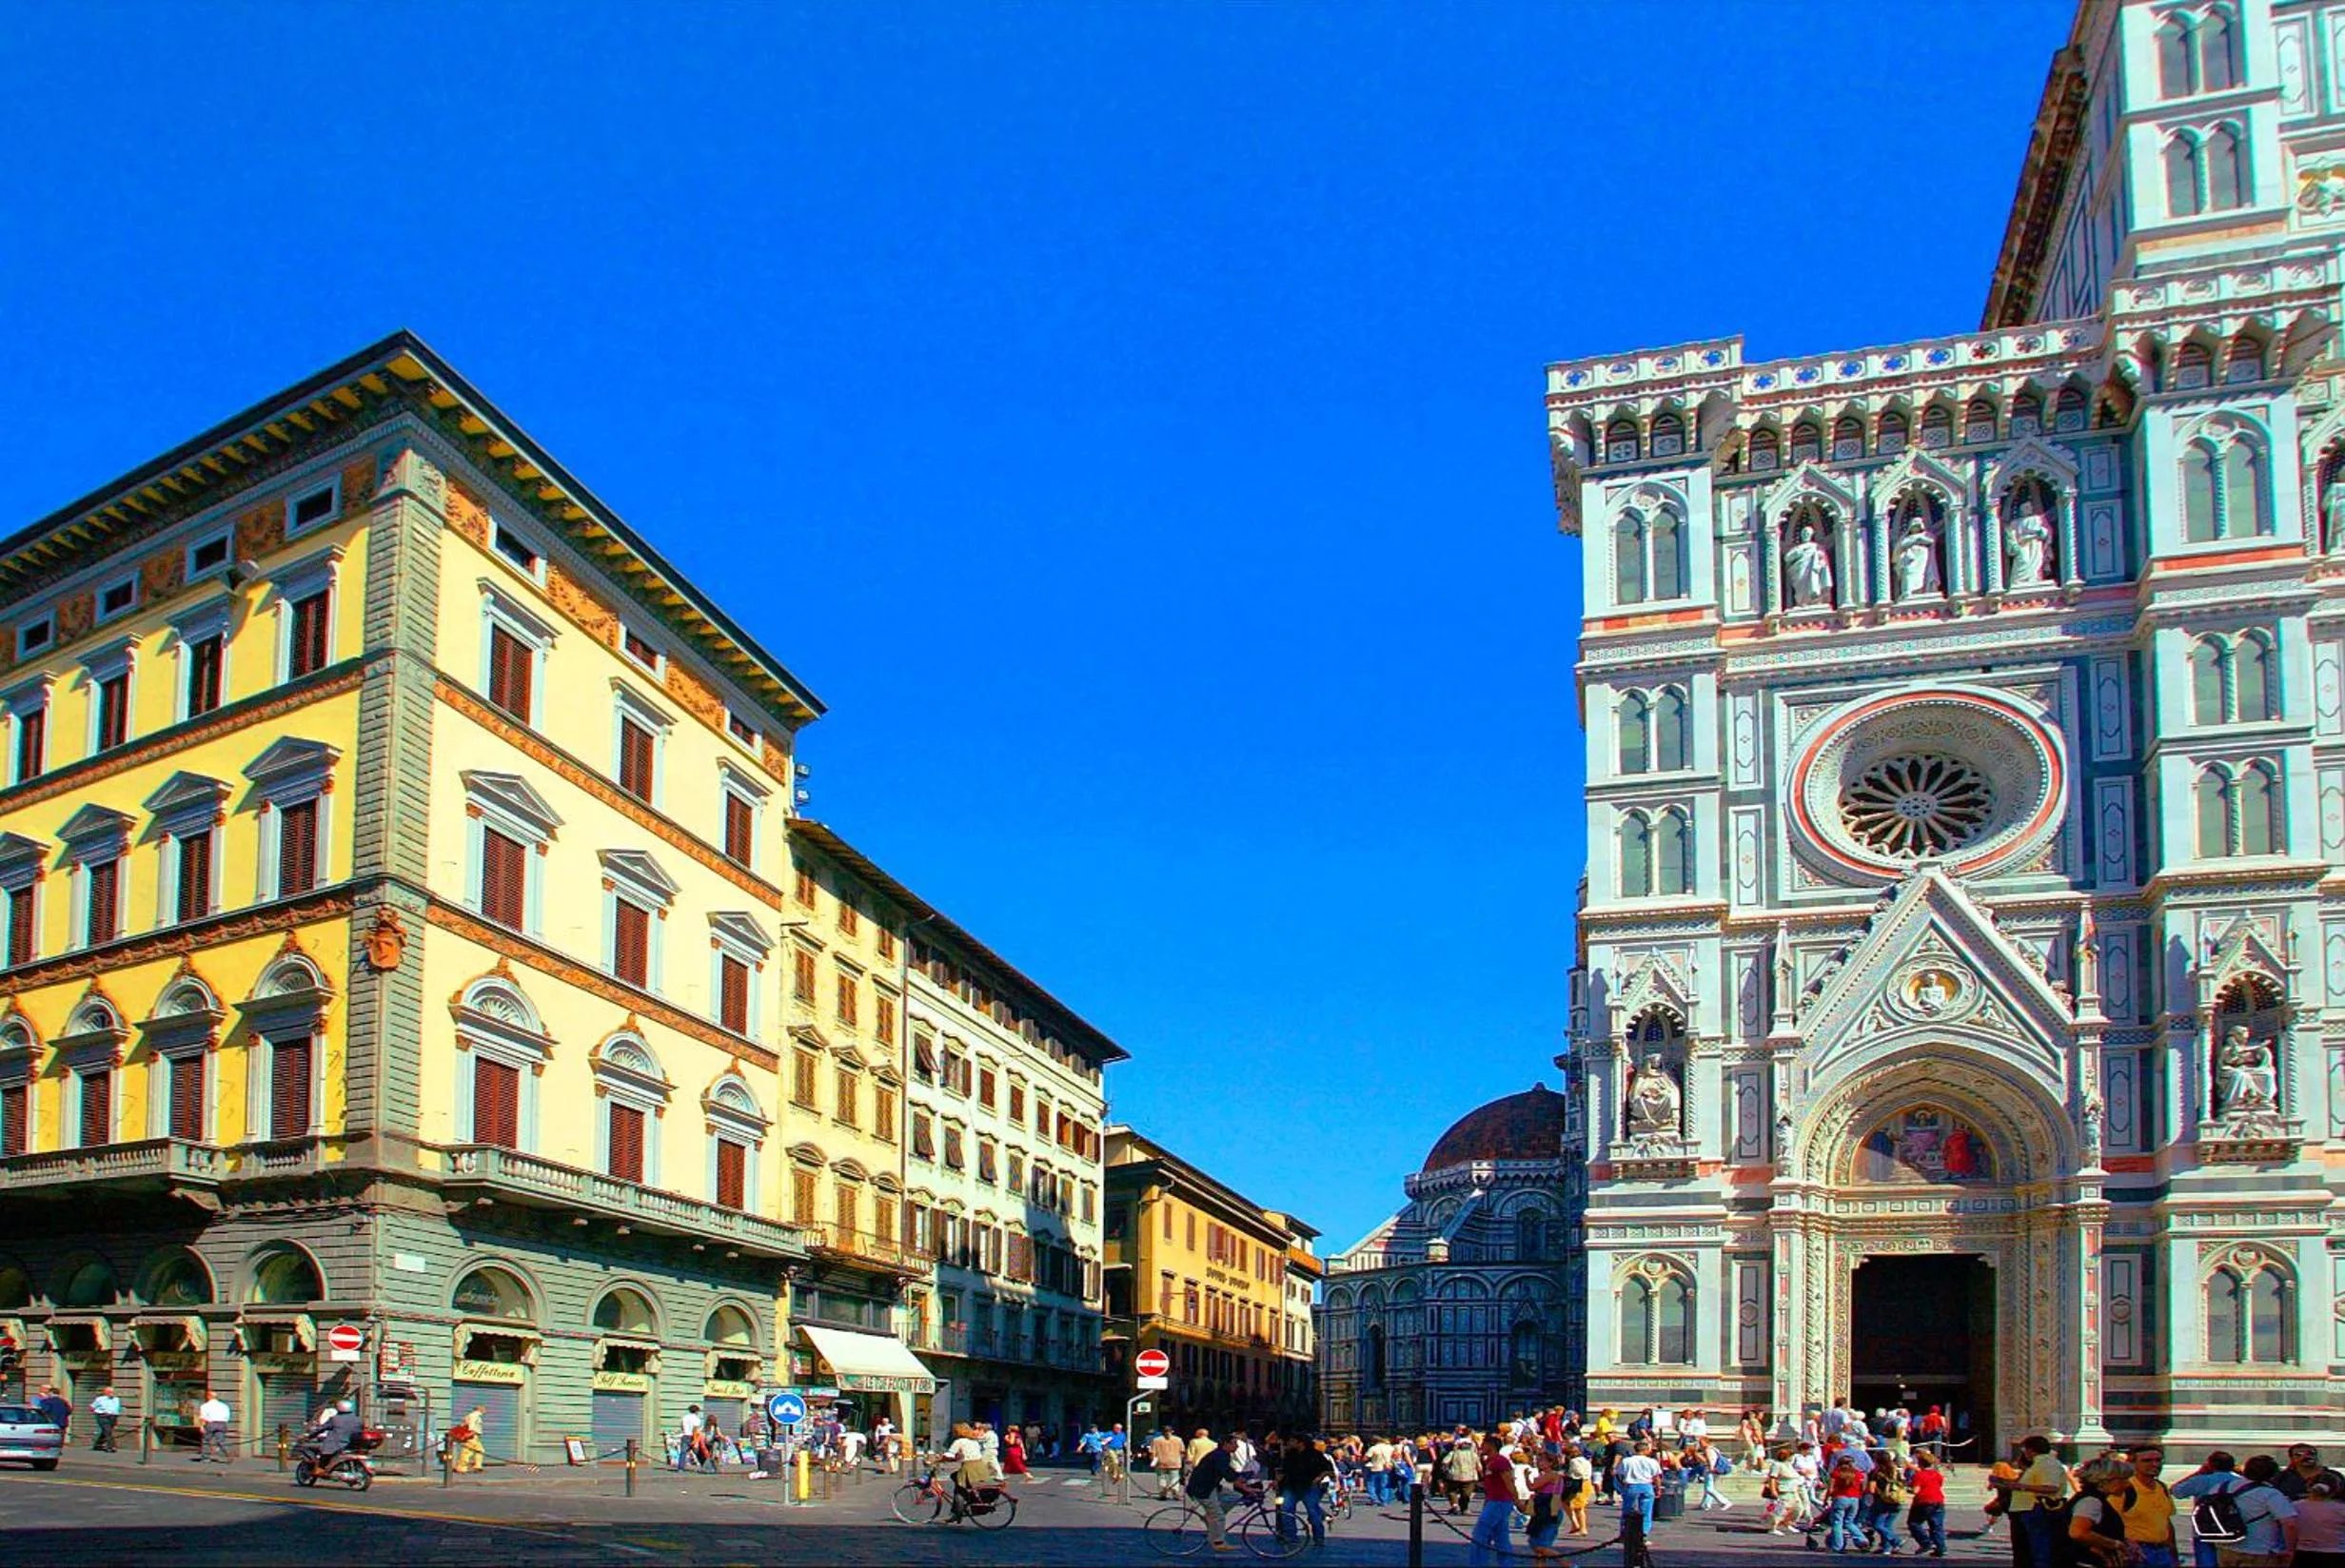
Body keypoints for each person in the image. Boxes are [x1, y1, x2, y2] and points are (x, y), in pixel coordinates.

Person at [2007, 1433, 2072, 1568]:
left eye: (2024, 1449)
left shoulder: (2047, 1463)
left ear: (2031, 1449)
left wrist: (2021, 1487)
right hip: (2026, 1510)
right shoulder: (2038, 1464)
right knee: (2029, 1550)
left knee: (2040, 1549)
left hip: (2036, 1510)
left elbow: (2051, 1487)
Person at [2111, 1444, 2179, 1568]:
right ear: (2133, 1463)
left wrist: (2174, 1556)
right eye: (2147, 1461)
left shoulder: (2161, 1487)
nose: (2155, 1464)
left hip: (2163, 1552)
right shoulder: (2124, 1489)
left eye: (2158, 1460)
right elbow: (2106, 1521)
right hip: (2137, 1553)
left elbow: (2166, 1522)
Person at [1185, 1433, 1253, 1556]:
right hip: (1203, 1489)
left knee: (1235, 1496)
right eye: (1234, 1444)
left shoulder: (1223, 1455)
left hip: (1212, 1486)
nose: (1237, 1447)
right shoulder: (1219, 1456)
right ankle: (1218, 1542)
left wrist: (1242, 1481)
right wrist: (1244, 1486)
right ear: (1226, 1444)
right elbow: (1227, 1474)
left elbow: (1229, 1472)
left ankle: (1210, 1518)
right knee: (1219, 1516)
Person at [2068, 1456, 2139, 1568]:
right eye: (2123, 1479)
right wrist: (2115, 1544)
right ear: (2106, 1479)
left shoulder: (2093, 1498)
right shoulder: (2091, 1501)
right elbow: (2078, 1532)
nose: (2127, 1485)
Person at [1468, 1433, 1515, 1568]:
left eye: (1483, 1444)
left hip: (1500, 1501)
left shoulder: (1500, 1461)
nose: (1481, 1447)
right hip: (1493, 1500)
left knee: (1480, 1534)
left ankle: (1478, 1563)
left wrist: (1517, 1501)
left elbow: (1509, 1482)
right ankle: (1506, 1564)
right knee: (1501, 1537)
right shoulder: (1490, 1461)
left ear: (1490, 1446)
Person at [1276, 1435, 1334, 1547]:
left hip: (1309, 1486)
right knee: (1285, 1510)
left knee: (1313, 1512)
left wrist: (1319, 1478)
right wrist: (1278, 1480)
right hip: (1291, 1486)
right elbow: (1283, 1470)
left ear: (1300, 1443)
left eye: (1292, 1440)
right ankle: (1291, 1536)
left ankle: (1318, 1538)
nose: (1290, 1442)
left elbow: (1329, 1470)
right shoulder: (1290, 1455)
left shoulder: (1315, 1455)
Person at [1524, 1448, 1567, 1562]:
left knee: (1540, 1545)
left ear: (1550, 1463)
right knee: (1538, 1545)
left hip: (1548, 1509)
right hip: (1544, 1508)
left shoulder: (1551, 1474)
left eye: (1541, 1461)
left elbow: (1532, 1487)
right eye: (1538, 1460)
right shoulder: (1547, 1475)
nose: (1539, 1463)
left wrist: (1526, 1477)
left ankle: (1568, 1564)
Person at [1614, 1437, 1663, 1538]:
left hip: (1631, 1486)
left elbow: (1619, 1474)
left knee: (1627, 1511)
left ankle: (1624, 1533)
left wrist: (1621, 1487)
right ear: (1645, 1450)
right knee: (1646, 1512)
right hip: (1647, 1486)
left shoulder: (1627, 1461)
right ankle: (1643, 1534)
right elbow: (1656, 1477)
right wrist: (1658, 1489)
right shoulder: (1652, 1461)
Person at [1821, 1451, 1866, 1554]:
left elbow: (1831, 1489)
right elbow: (1862, 1487)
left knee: (1837, 1523)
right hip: (1855, 1499)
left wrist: (1826, 1500)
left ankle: (1838, 1546)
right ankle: (1861, 1539)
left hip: (1840, 1498)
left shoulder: (1836, 1473)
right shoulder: (1858, 1473)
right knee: (1849, 1522)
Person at [1905, 1449, 1947, 1558]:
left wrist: (1907, 1488)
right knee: (1936, 1526)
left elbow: (1915, 1490)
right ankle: (1941, 1547)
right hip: (1938, 1500)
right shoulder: (1937, 1474)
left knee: (1914, 1523)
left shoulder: (1919, 1475)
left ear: (1920, 1463)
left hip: (1924, 1501)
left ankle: (1925, 1542)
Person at [2296, 1476, 2345, 1568]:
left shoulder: (2295, 1506)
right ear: (2337, 1489)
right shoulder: (2341, 1509)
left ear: (2309, 1487)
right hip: (2336, 1553)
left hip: (2301, 1553)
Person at [2276, 1444, 2345, 1501]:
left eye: (2311, 1453)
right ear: (2291, 1458)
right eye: (2299, 1455)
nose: (2306, 1457)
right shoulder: (2282, 1477)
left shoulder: (2334, 1476)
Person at [1442, 1436, 1482, 1515]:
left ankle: (1455, 1505)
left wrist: (1446, 1470)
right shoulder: (1474, 1454)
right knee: (1466, 1493)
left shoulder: (1453, 1453)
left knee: (1452, 1491)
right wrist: (1481, 1475)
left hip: (1455, 1475)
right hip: (1471, 1476)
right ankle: (1465, 1508)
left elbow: (1445, 1462)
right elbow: (1479, 1467)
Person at [1563, 1441, 1593, 1537]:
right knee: (1571, 1504)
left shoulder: (1574, 1461)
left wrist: (1568, 1475)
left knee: (1578, 1507)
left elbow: (1579, 1473)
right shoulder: (1585, 1460)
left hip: (1579, 1483)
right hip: (1587, 1482)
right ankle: (1575, 1525)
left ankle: (1582, 1528)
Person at [1149, 1428, 1186, 1499]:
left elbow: (1152, 1452)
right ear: (1172, 1431)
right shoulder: (1178, 1440)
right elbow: (1182, 1451)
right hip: (1175, 1462)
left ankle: (1163, 1492)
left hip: (1161, 1462)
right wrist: (1180, 1459)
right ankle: (1175, 1490)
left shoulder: (1156, 1440)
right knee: (1175, 1478)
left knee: (1161, 1478)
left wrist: (1153, 1462)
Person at [196, 1391, 232, 1463]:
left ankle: (206, 1458)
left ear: (209, 1396)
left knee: (206, 1441)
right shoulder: (224, 1406)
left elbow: (203, 1417)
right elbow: (228, 1416)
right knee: (221, 1441)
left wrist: (202, 1427)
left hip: (211, 1424)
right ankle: (228, 1453)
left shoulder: (205, 1406)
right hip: (222, 1424)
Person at [450, 1403, 486, 1474]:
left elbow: (464, 1424)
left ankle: (477, 1467)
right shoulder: (474, 1416)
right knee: (467, 1452)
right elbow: (471, 1426)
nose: (485, 1410)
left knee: (479, 1451)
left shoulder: (473, 1415)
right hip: (472, 1436)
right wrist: (471, 1433)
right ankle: (462, 1468)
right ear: (480, 1409)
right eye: (484, 1409)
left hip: (474, 1436)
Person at [89, 1386, 119, 1453]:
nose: (112, 1394)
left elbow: (117, 1408)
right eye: (110, 1392)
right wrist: (96, 1412)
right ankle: (111, 1446)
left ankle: (98, 1445)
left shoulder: (116, 1399)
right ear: (105, 1392)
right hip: (103, 1416)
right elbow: (92, 1407)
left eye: (112, 1392)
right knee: (108, 1431)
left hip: (113, 1417)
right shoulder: (100, 1399)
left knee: (106, 1431)